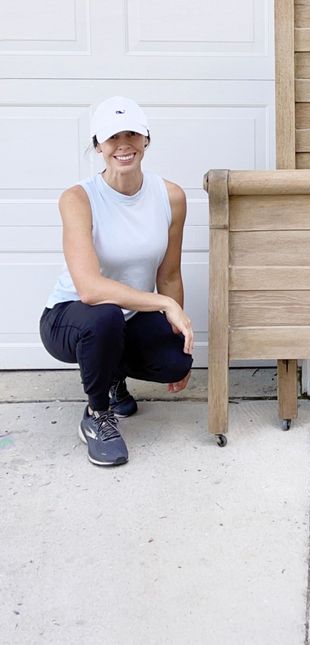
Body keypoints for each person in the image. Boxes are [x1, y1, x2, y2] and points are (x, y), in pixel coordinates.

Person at [39, 96, 194, 467]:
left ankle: (112, 377)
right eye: (112, 138)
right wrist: (164, 304)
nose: (123, 145)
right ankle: (97, 415)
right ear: (98, 146)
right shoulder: (78, 198)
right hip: (72, 318)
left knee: (176, 361)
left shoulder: (170, 196)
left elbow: (169, 275)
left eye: (132, 134)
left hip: (126, 318)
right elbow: (90, 289)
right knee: (105, 314)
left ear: (146, 140)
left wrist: (180, 326)